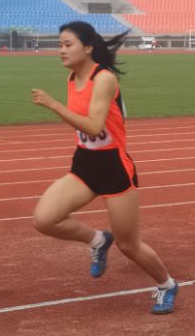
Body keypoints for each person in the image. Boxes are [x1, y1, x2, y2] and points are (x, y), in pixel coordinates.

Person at [30, 20, 178, 314]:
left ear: (87, 47)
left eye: (67, 44)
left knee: (128, 245)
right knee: (44, 219)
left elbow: (95, 126)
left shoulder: (104, 79)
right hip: (84, 163)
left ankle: (167, 285)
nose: (61, 50)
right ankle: (98, 240)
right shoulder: (73, 77)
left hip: (113, 168)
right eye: (59, 45)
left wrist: (54, 105)